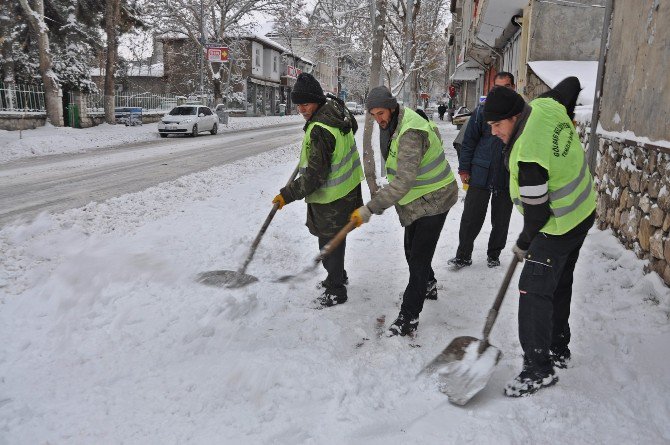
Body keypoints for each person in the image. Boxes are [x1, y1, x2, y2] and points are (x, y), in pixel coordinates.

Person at [483, 77, 596, 397]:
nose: (493, 132)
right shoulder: (545, 105)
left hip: (557, 225)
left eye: (496, 125)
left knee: (533, 288)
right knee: (558, 282)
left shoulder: (527, 155)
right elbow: (572, 83)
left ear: (515, 117)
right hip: (584, 211)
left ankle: (538, 368)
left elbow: (537, 216)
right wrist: (568, 115)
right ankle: (559, 348)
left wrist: (522, 243)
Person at [350, 86, 458, 336]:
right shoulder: (398, 122)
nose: (379, 120)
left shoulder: (410, 131)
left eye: (381, 113)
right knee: (412, 251)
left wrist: (370, 208)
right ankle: (428, 285)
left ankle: (409, 317)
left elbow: (404, 182)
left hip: (436, 198)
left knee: (418, 259)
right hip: (418, 199)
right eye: (374, 115)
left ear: (391, 107)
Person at [272, 73, 364, 308]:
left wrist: (287, 194)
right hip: (349, 189)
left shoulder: (320, 129)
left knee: (329, 242)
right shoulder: (336, 112)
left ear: (316, 101)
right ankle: (338, 276)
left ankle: (336, 290)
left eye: (306, 103)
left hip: (331, 197)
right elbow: (349, 130)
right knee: (336, 238)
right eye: (299, 105)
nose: (302, 109)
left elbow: (314, 177)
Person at [448, 72, 516, 270]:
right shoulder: (482, 111)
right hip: (480, 172)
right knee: (471, 217)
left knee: (501, 219)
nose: (501, 91)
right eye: (497, 87)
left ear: (513, 88)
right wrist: (464, 169)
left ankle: (494, 255)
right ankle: (463, 255)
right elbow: (468, 142)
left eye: (506, 87)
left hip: (506, 174)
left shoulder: (519, 114)